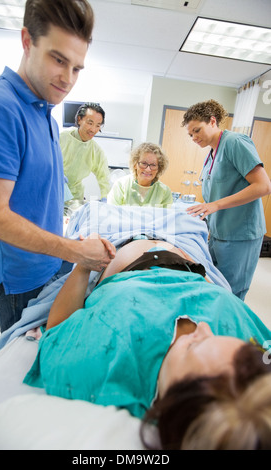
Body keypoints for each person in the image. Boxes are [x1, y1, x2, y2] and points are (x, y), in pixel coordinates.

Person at [24, 238, 271, 450]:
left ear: (169, 403)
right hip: (188, 261)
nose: (204, 327)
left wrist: (83, 266)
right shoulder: (252, 364)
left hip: (128, 256)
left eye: (193, 345)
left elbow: (57, 330)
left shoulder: (102, 356)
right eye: (216, 335)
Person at [0, 0, 115, 333]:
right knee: (26, 365)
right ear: (27, 41)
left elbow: (36, 194)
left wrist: (70, 244)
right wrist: (76, 250)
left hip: (51, 261)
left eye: (77, 68)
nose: (68, 79)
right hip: (22, 278)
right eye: (58, 59)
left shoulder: (44, 112)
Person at [181, 99, 271, 300]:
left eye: (197, 130)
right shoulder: (212, 153)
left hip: (240, 235)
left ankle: (230, 330)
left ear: (212, 121)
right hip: (219, 233)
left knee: (231, 293)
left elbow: (263, 186)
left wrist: (215, 205)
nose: (194, 137)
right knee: (215, 287)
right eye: (190, 134)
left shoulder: (234, 142)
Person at [60, 102, 110, 201]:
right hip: (53, 191)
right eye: (90, 123)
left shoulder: (96, 151)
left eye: (97, 125)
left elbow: (104, 178)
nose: (93, 129)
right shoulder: (61, 137)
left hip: (75, 198)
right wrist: (57, 175)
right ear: (79, 120)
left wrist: (105, 197)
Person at [107, 142, 173, 207]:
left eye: (153, 165)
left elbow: (166, 216)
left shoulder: (164, 191)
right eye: (144, 163)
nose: (148, 169)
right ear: (135, 164)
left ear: (159, 168)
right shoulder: (121, 185)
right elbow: (112, 213)